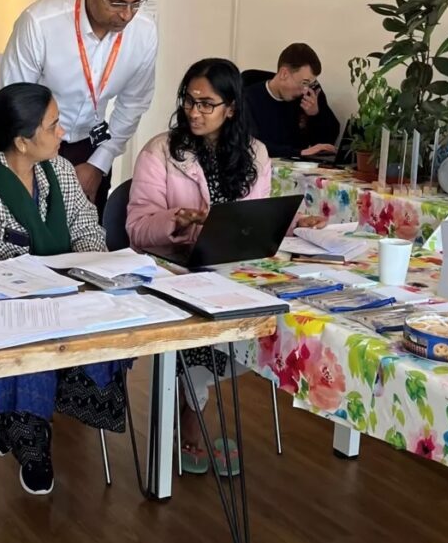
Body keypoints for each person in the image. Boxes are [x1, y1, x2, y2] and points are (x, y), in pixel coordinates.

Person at [126, 58, 323, 475]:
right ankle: (192, 422)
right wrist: (176, 222)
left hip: (236, 269)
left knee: (289, 317)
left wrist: (292, 224)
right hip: (174, 268)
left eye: (206, 104)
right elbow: (137, 230)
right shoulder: (161, 151)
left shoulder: (254, 153)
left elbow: (253, 228)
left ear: (231, 108)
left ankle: (192, 400)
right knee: (202, 325)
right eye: (189, 102)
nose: (194, 112)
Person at [0, 82, 128, 495]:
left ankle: (14, 421)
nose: (63, 133)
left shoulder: (61, 170)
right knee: (32, 341)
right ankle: (30, 439)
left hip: (69, 297)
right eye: (53, 126)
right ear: (22, 141)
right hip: (5, 309)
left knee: (116, 325)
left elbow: (88, 229)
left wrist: (85, 270)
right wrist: (37, 279)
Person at [0, 0, 158, 215]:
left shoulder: (144, 32)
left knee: (86, 240)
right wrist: (34, 162)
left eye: (136, 3)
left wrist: (99, 163)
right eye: (117, 3)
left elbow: (133, 103)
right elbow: (13, 103)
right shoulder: (41, 22)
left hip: (91, 149)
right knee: (32, 240)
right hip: (33, 145)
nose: (126, 15)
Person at [245, 42, 340, 158]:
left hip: (300, 169)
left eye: (310, 84)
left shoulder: (307, 97)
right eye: (304, 83)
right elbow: (252, 145)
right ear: (284, 74)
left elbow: (325, 145)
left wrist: (315, 115)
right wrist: (299, 153)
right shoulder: (248, 98)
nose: (305, 90)